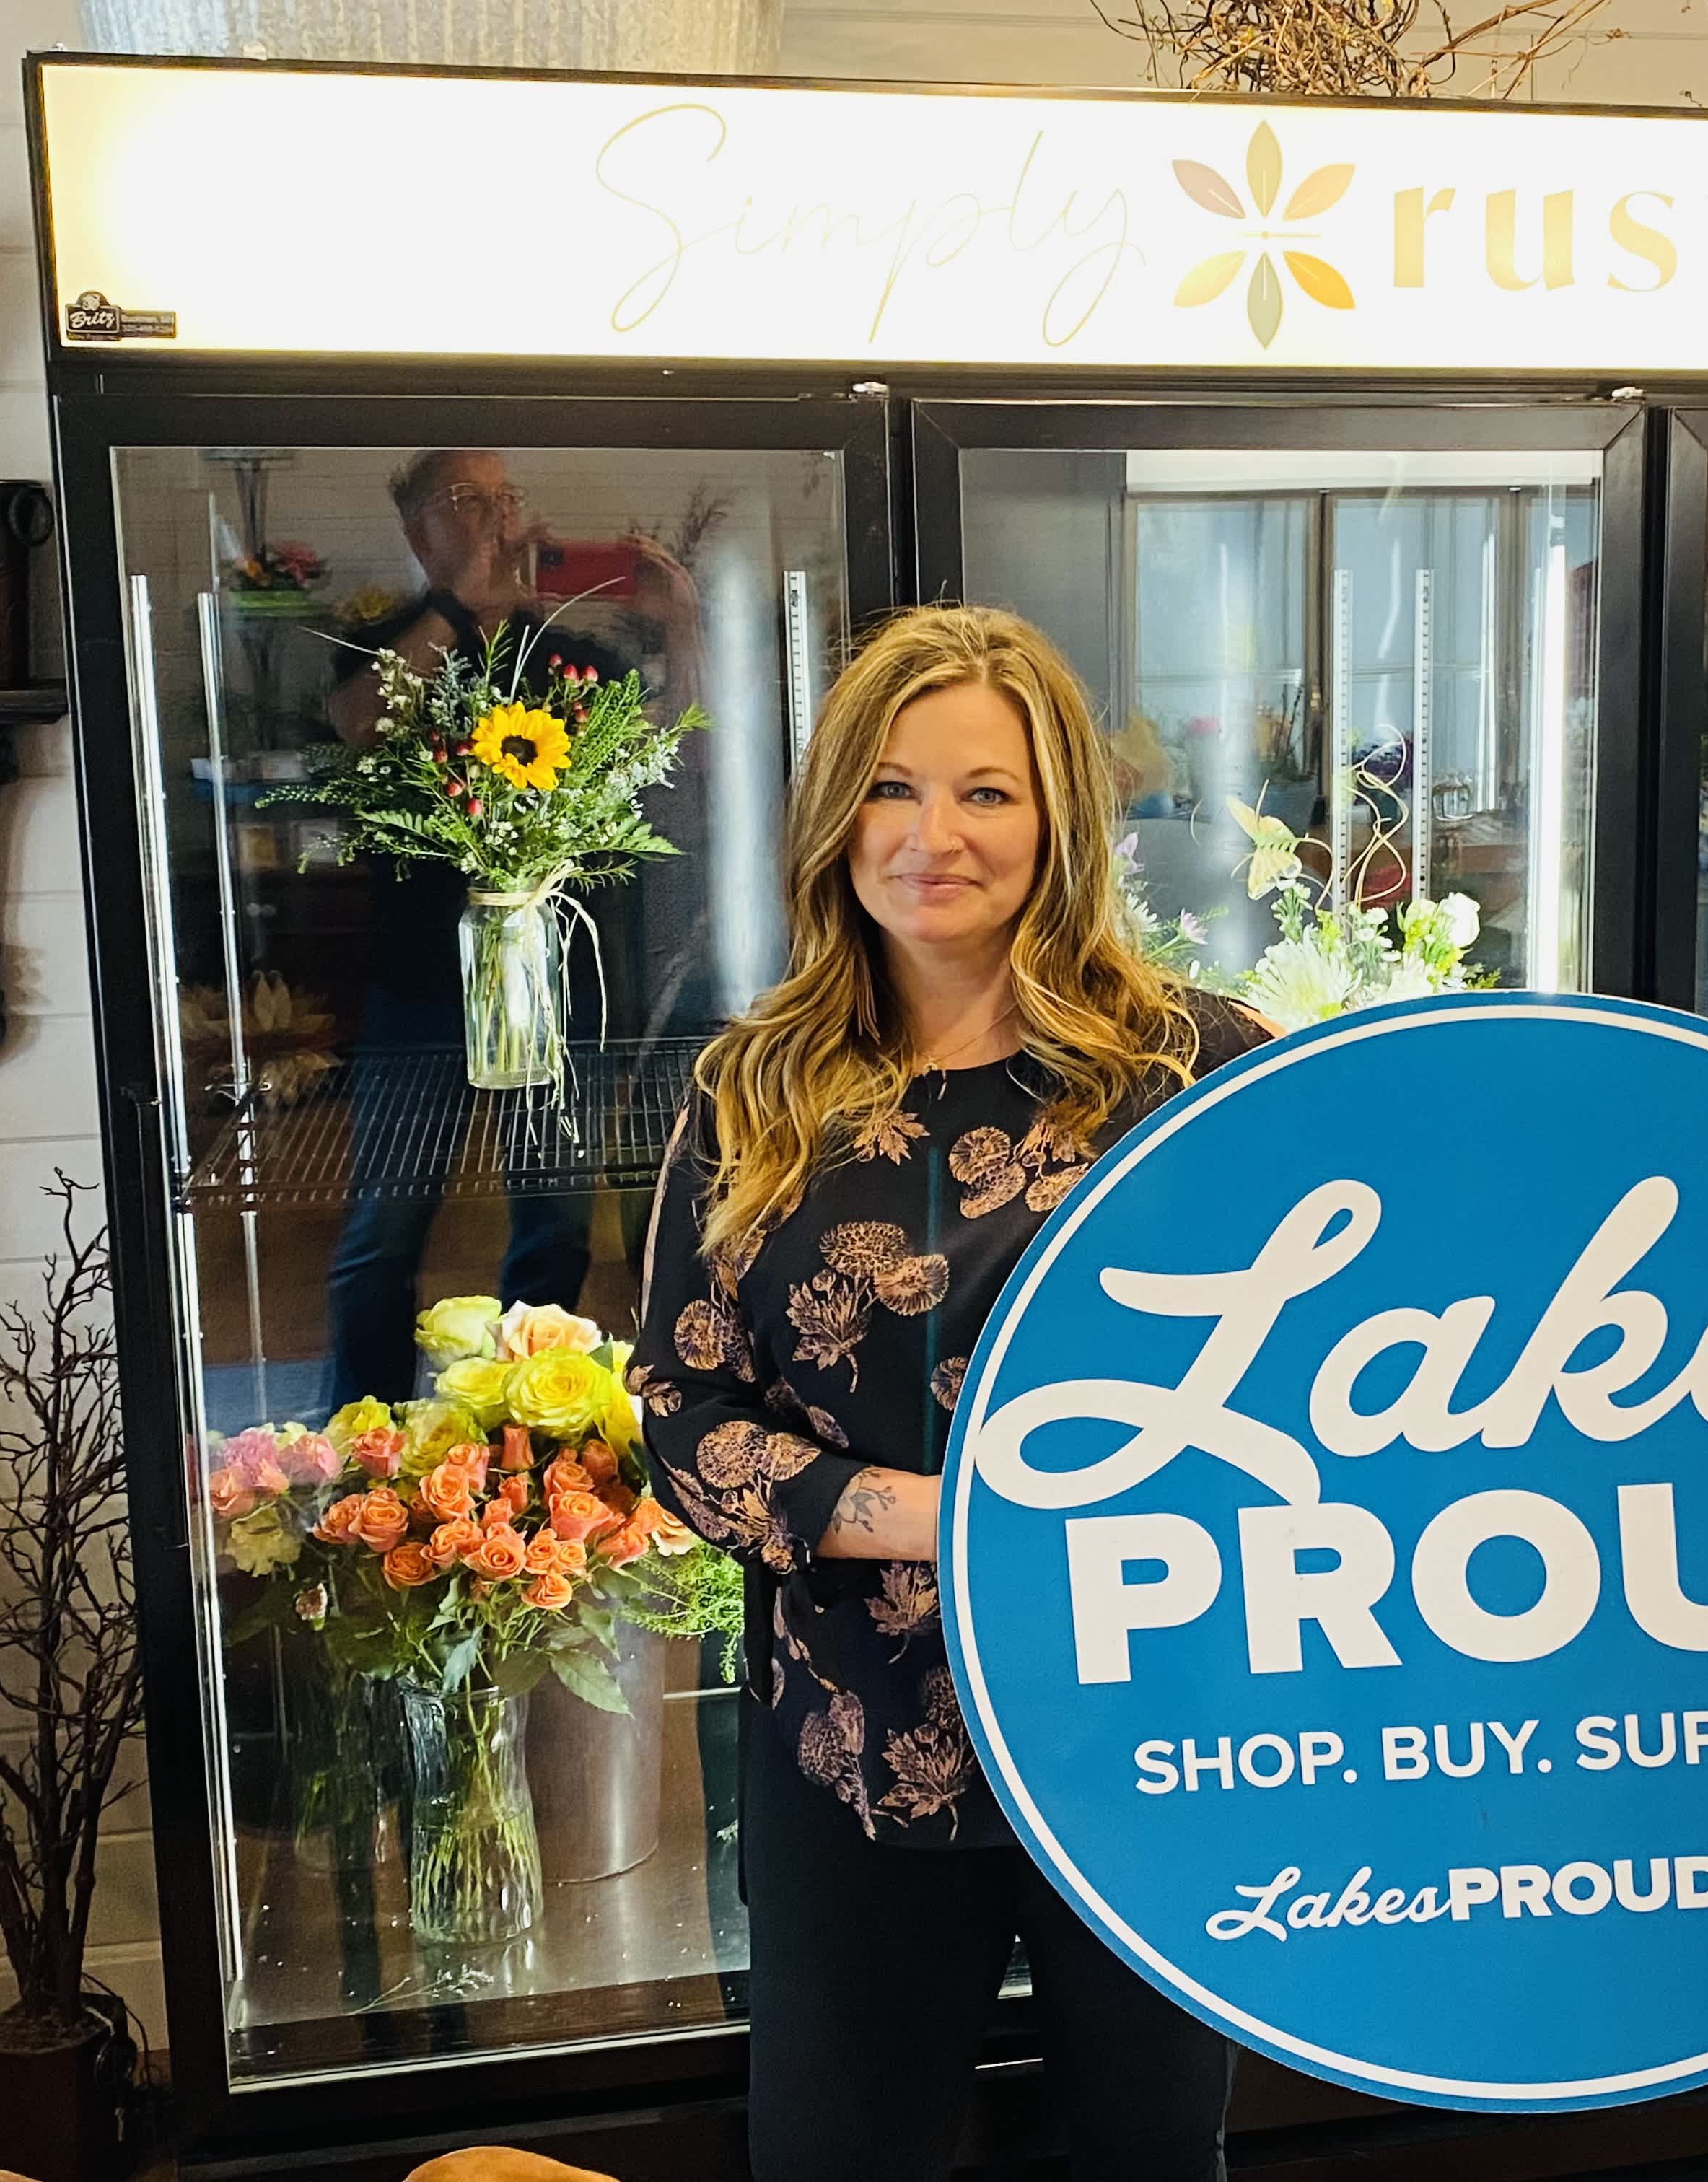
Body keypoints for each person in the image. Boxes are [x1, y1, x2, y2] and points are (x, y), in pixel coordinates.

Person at [628, 605, 1270, 2182]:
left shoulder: (1198, 1070)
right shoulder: (753, 1089)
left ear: (1060, 821)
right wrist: (938, 1520)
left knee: (1151, 2156)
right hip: (850, 1738)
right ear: (836, 814)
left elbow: (1333, 1377)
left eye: (988, 792)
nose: (935, 837)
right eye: (893, 788)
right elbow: (682, 1414)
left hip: (1150, 1736)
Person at [319, 450, 700, 1407]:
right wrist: (460, 609)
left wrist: (682, 628)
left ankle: (528, 1427)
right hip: (419, 987)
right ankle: (364, 1432)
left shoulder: (574, 656)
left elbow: (678, 767)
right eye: (465, 500)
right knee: (382, 1232)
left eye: (505, 498)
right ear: (418, 534)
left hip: (563, 989)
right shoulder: (384, 645)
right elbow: (360, 720)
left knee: (556, 1228)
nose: (496, 517)